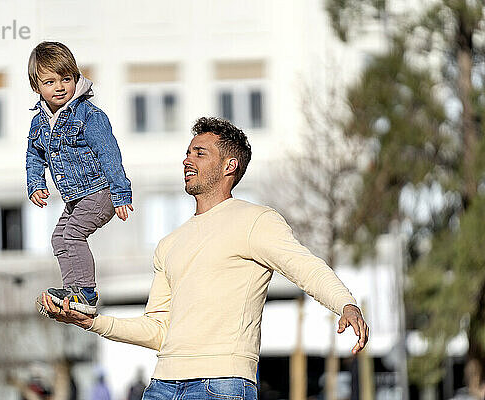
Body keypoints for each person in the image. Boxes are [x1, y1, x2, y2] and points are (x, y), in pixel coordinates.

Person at [42, 117, 369, 399]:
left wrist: (345, 303)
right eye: (187, 153)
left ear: (230, 165)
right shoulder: (169, 244)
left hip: (221, 383)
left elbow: (305, 267)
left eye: (200, 153)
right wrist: (94, 322)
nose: (187, 160)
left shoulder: (255, 221)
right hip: (161, 385)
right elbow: (158, 329)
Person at [26, 41, 133, 315]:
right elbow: (34, 155)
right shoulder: (40, 123)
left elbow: (109, 154)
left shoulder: (89, 116)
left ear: (77, 78)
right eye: (50, 82)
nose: (59, 87)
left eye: (66, 79)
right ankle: (73, 291)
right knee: (59, 238)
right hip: (77, 197)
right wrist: (36, 184)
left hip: (101, 192)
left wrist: (121, 194)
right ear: (37, 87)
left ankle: (85, 292)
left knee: (73, 235)